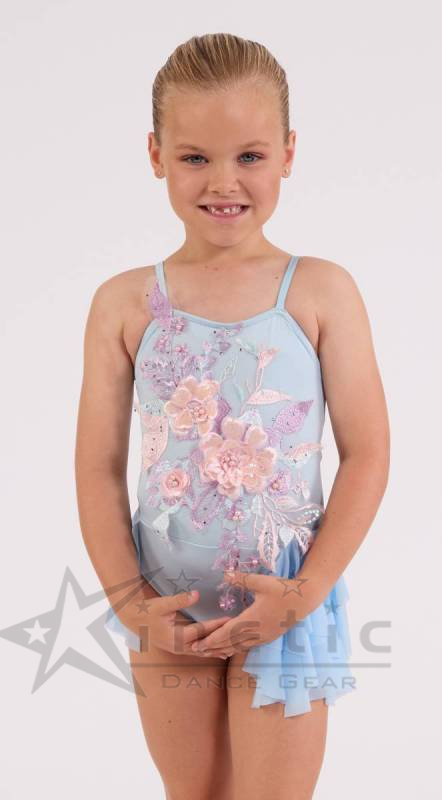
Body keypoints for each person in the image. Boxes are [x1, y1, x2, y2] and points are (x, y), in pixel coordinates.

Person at [75, 32, 390, 800]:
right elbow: (97, 467)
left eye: (249, 155)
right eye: (195, 157)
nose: (224, 181)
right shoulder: (124, 303)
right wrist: (131, 604)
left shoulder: (320, 291)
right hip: (165, 604)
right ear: (156, 154)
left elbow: (369, 453)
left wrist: (304, 594)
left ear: (288, 153)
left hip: (285, 601)